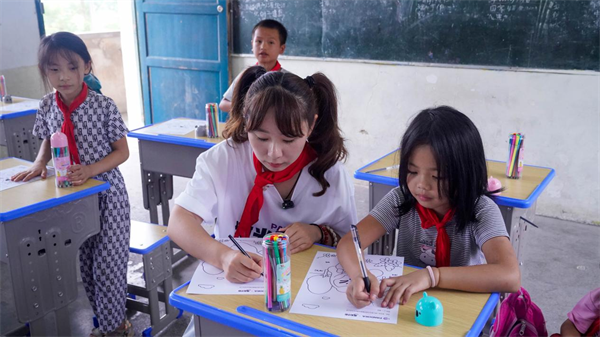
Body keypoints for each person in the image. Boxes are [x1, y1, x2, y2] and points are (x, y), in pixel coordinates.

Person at [168, 65, 357, 284]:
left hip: (306, 286)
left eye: (289, 140)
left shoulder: (330, 173)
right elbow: (179, 221)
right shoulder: (223, 160)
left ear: (311, 125)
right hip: (238, 284)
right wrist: (224, 256)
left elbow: (351, 241)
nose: (274, 153)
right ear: (247, 121)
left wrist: (318, 233)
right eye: (262, 138)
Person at [337, 106, 521, 309]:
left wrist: (433, 276)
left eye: (437, 176)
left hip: (459, 305)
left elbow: (510, 275)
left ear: (466, 173)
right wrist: (360, 276)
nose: (421, 185)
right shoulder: (402, 198)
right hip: (407, 305)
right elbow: (349, 244)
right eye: (412, 171)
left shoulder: (479, 209)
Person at [10, 32, 131, 337]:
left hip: (108, 195)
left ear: (87, 67)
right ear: (44, 71)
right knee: (88, 268)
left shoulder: (103, 106)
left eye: (72, 67)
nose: (63, 76)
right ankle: (107, 323)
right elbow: (49, 139)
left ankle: (118, 327)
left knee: (108, 266)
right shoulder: (48, 104)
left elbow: (122, 152)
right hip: (73, 197)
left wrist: (91, 168)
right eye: (53, 69)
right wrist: (40, 162)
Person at [219, 19, 288, 113]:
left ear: (281, 48)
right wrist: (250, 109)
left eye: (271, 42)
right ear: (252, 44)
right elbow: (223, 104)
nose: (263, 47)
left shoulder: (287, 78)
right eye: (259, 41)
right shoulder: (246, 75)